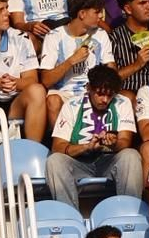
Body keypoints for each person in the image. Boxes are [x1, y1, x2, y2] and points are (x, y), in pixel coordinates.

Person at [46, 65, 141, 209]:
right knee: (54, 161)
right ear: (88, 87)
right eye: (100, 94)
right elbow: (57, 147)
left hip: (108, 160)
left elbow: (125, 141)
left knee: (131, 155)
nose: (105, 100)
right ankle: (70, 216)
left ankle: (129, 213)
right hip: (79, 162)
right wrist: (86, 147)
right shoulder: (72, 105)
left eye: (109, 95)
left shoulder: (122, 102)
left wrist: (114, 144)